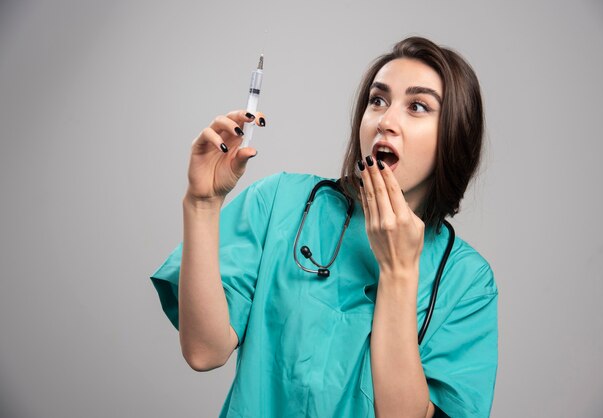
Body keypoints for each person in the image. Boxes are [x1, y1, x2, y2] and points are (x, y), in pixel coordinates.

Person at [149, 36, 498, 418]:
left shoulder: (467, 281)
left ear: (454, 135)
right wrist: (202, 204)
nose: (385, 121)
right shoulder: (281, 201)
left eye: (417, 106)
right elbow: (204, 351)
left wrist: (399, 273)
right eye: (377, 100)